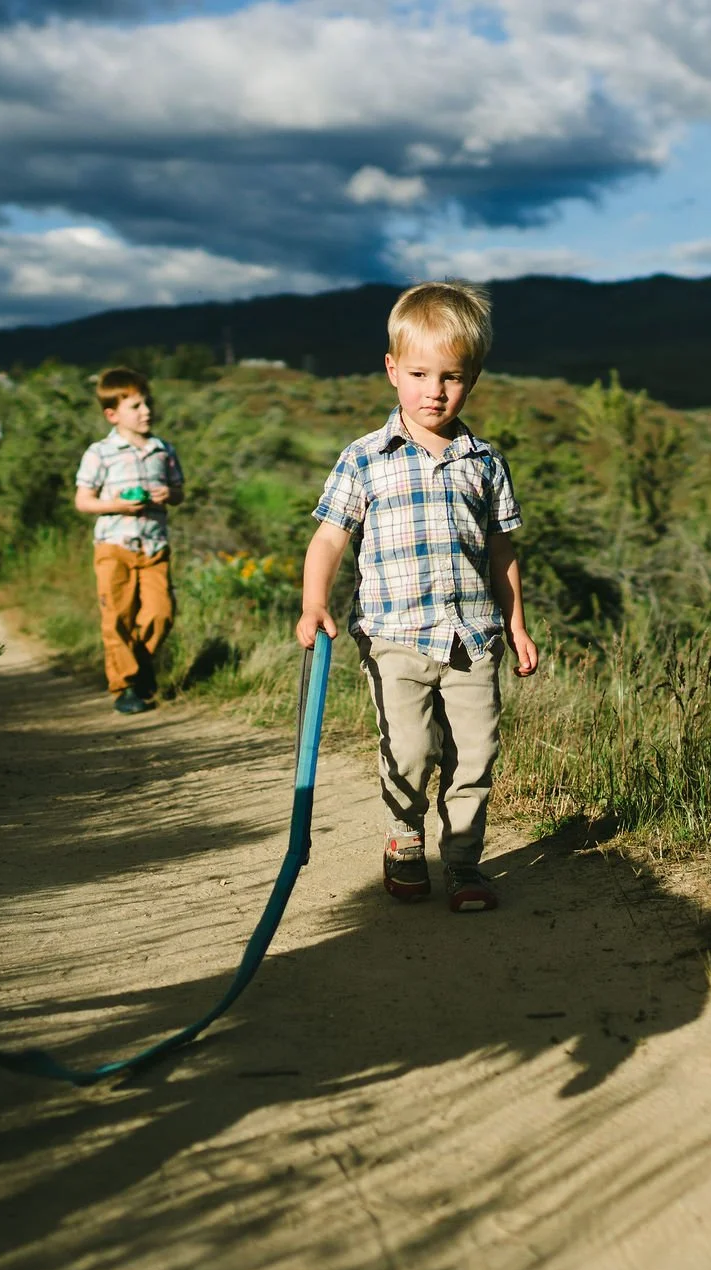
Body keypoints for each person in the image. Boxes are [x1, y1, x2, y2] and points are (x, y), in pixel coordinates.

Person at [295, 281, 540, 912]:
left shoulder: (484, 461)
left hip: (473, 637)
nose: (435, 390)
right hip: (394, 636)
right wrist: (313, 602)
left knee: (476, 753)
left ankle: (462, 863)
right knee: (409, 749)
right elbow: (328, 539)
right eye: (420, 373)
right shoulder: (364, 459)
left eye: (452, 377)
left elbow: (502, 552)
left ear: (473, 379)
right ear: (391, 371)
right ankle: (405, 839)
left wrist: (516, 626)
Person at [75, 366, 186, 715]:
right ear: (112, 414)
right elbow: (83, 500)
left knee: (160, 614)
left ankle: (139, 666)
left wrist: (169, 493)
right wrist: (118, 504)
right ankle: (125, 686)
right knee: (118, 617)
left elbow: (180, 493)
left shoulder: (162, 449)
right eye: (135, 406)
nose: (146, 411)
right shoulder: (100, 453)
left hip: (154, 546)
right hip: (114, 546)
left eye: (147, 403)